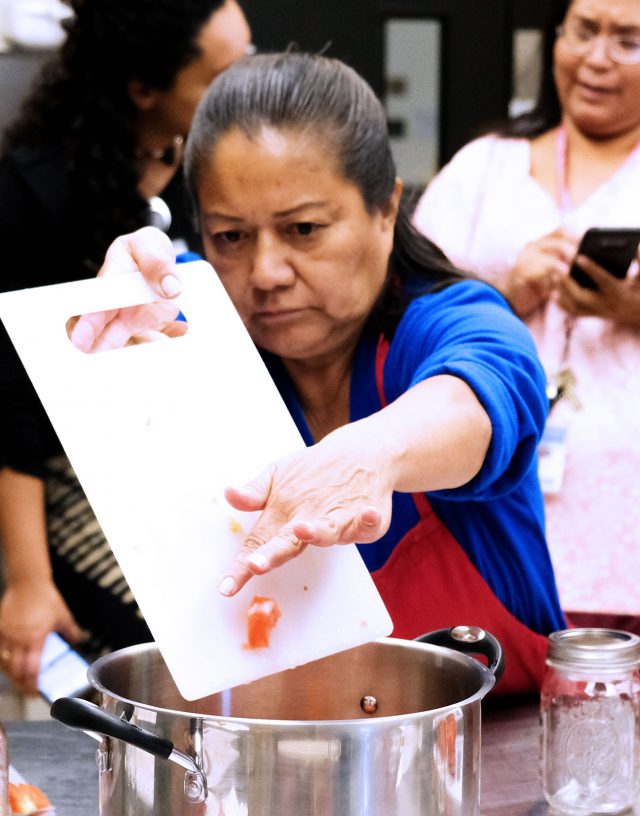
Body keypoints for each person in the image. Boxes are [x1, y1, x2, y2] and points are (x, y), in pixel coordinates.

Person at [66, 51, 567, 696]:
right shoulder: (215, 335)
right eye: (230, 237)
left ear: (386, 210)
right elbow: (144, 319)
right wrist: (130, 307)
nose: (267, 272)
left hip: (491, 756)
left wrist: (372, 454)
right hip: (284, 761)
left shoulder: (446, 321)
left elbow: (486, 394)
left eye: (303, 228)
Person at [0, 0, 251, 693]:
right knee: (174, 642)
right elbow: (13, 415)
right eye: (220, 80)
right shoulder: (34, 195)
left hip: (189, 454)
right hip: (70, 472)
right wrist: (28, 584)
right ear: (145, 89)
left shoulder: (212, 168)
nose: (244, 94)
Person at [413, 0, 640, 635]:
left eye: (629, 41)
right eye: (584, 32)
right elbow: (403, 311)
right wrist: (502, 291)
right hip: (495, 506)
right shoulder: (483, 166)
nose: (597, 58)